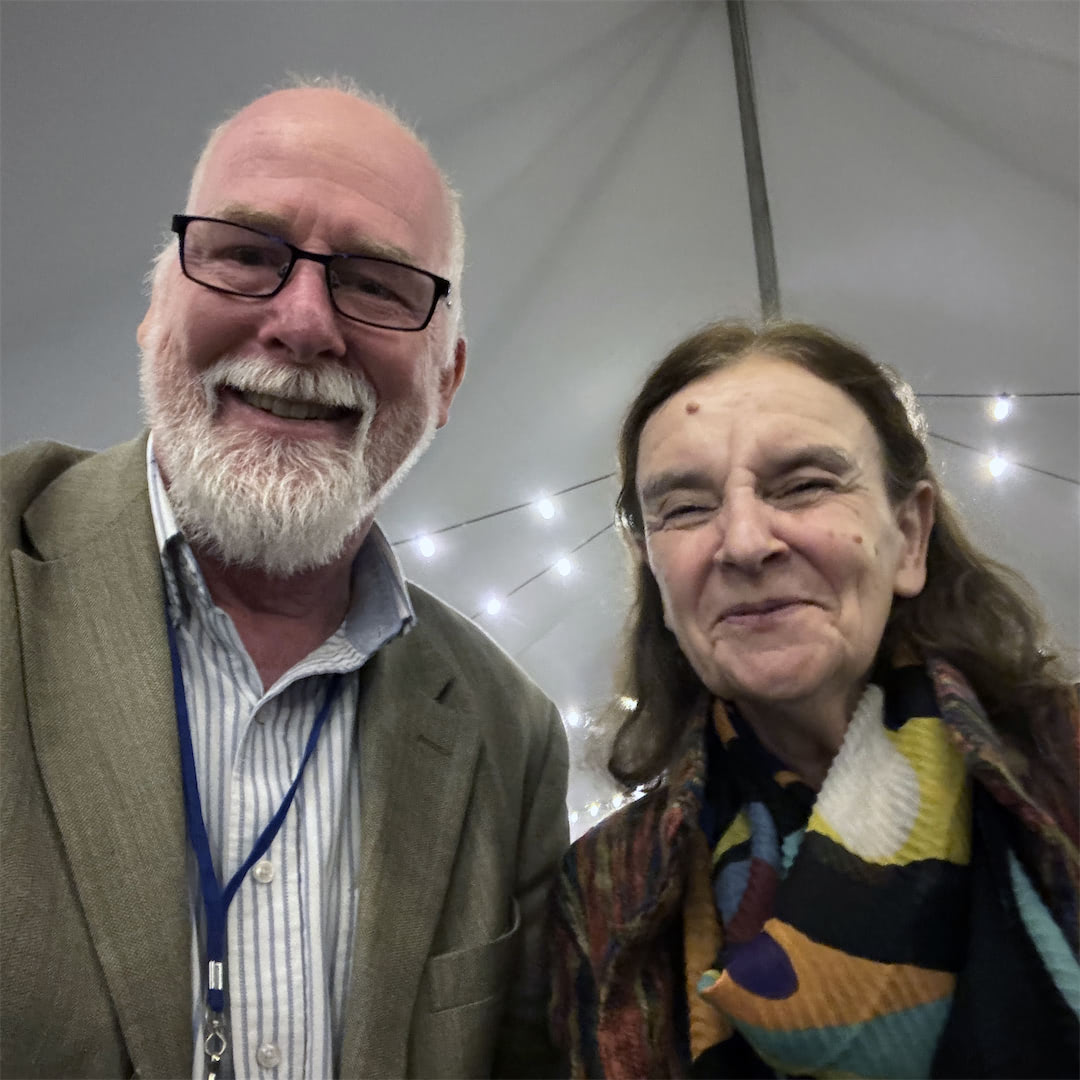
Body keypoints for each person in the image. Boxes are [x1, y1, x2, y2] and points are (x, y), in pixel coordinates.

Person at [1, 77, 569, 1080]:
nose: (303, 323)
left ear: (447, 382)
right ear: (156, 311)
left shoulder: (508, 734)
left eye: (377, 283)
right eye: (248, 254)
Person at [548, 320, 1078, 1078]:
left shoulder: (1066, 762)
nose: (744, 543)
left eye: (803, 486)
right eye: (687, 507)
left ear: (909, 536)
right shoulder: (604, 893)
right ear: (654, 574)